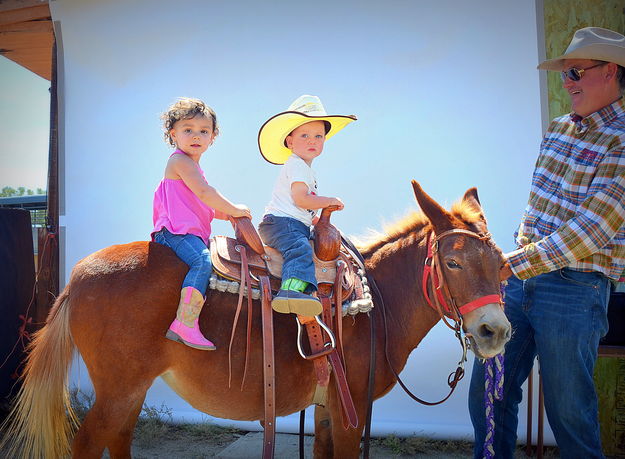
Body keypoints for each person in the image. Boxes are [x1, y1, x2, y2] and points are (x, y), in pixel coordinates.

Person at [469, 27, 625, 458]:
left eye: (575, 71)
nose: (568, 82)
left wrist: (511, 264)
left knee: (569, 410)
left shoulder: (622, 140)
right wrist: (511, 268)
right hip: (520, 283)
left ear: (610, 71)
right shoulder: (557, 130)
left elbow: (592, 230)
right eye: (564, 74)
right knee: (488, 393)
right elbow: (535, 212)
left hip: (576, 288)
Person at [152, 97, 251, 350]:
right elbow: (206, 194)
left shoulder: (192, 166)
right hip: (174, 233)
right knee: (202, 261)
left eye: (203, 131)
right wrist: (235, 208)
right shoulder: (180, 162)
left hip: (186, 232)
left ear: (212, 137)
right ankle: (185, 322)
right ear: (173, 134)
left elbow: (201, 205)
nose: (196, 136)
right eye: (188, 130)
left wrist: (226, 215)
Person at [257, 95, 356, 316]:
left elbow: (303, 207)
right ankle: (291, 291)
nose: (312, 140)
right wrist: (328, 201)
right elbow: (301, 199)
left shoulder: (304, 169)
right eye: (304, 135)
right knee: (299, 249)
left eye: (318, 136)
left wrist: (315, 219)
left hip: (291, 222)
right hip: (283, 223)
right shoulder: (298, 166)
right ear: (289, 141)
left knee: (306, 245)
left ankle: (302, 290)